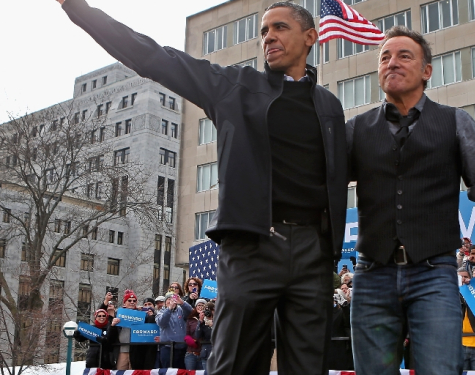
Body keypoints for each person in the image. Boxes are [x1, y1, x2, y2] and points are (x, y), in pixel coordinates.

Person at [57, 1, 348, 374]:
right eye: (263, 31)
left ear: (310, 37)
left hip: (313, 252)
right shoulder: (234, 86)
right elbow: (154, 58)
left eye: (279, 28)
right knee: (234, 363)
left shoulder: (329, 106)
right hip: (253, 246)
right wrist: (77, 9)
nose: (268, 37)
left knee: (311, 366)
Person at [346, 26, 475, 375]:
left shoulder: (455, 122)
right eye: (384, 57)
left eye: (404, 55)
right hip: (371, 274)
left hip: (433, 274)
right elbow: (317, 186)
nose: (392, 62)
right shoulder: (356, 129)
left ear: (426, 71)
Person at [156, 293, 194, 369]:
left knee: (182, 371)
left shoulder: (181, 310)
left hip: (182, 347)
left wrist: (182, 302)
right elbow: (162, 322)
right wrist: (169, 309)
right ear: (165, 302)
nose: (171, 301)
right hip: (168, 348)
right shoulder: (160, 312)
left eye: (173, 299)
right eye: (169, 299)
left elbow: (191, 313)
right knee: (168, 371)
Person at [185, 299, 207, 370]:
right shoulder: (191, 319)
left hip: (203, 353)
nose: (200, 307)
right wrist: (189, 340)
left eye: (202, 305)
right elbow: (187, 333)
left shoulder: (209, 319)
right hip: (191, 353)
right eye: (198, 305)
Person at [195, 302, 215, 373]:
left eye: (210, 310)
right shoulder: (202, 323)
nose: (208, 312)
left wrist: (213, 324)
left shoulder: (219, 321)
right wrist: (200, 321)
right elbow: (197, 336)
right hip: (206, 353)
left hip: (217, 353)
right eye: (206, 310)